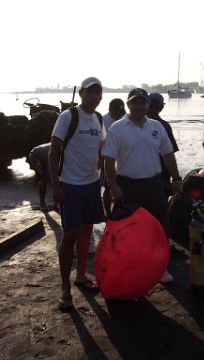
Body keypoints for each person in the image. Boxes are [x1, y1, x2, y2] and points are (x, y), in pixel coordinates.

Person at [101, 88, 183, 284]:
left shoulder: (156, 126)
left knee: (161, 227)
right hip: (127, 186)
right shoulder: (117, 129)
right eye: (135, 102)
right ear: (128, 104)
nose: (139, 106)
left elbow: (168, 154)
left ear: (148, 104)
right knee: (127, 230)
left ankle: (161, 268)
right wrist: (112, 186)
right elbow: (108, 160)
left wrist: (177, 178)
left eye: (143, 102)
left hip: (154, 184)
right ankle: (131, 268)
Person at [49, 77, 106, 311]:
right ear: (81, 93)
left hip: (92, 185)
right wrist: (56, 187)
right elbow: (54, 153)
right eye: (90, 92)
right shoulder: (68, 117)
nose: (94, 96)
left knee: (86, 231)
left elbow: (101, 151)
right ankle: (65, 289)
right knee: (69, 235)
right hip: (70, 185)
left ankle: (81, 275)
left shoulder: (99, 118)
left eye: (98, 93)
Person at [147, 92, 179, 199]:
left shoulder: (132, 124)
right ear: (161, 107)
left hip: (136, 179)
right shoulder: (163, 125)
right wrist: (176, 178)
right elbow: (170, 154)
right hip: (161, 176)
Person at [101, 98, 126, 216]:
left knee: (121, 187)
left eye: (121, 113)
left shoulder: (125, 120)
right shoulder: (102, 121)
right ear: (110, 110)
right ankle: (108, 213)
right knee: (108, 186)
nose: (119, 116)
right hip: (106, 158)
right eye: (116, 113)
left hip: (121, 160)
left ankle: (118, 210)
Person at [28, 142, 58, 212]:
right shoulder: (54, 151)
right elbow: (51, 175)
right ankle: (42, 203)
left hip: (45, 155)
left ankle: (56, 205)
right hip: (36, 155)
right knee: (43, 178)